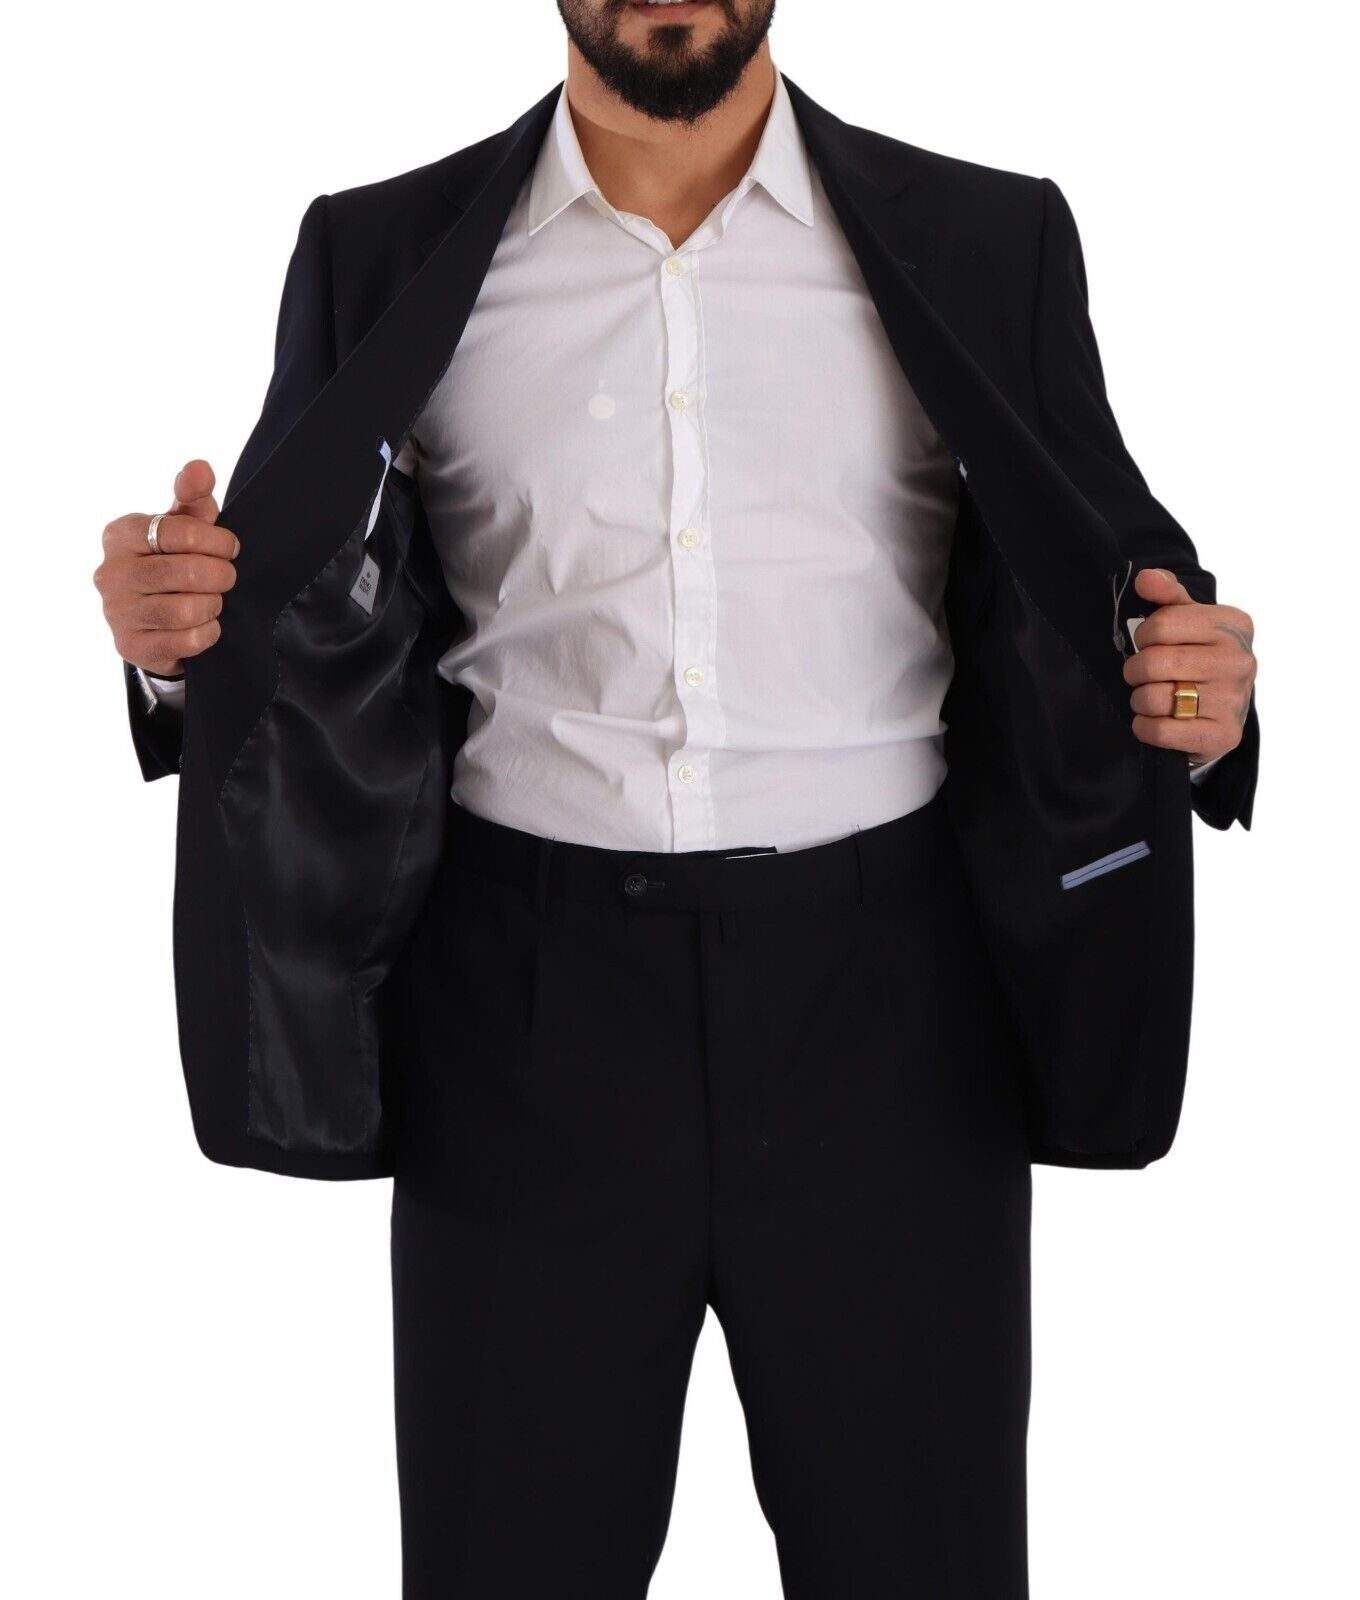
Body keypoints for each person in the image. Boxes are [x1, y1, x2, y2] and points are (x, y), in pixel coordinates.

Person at [92, 3, 1259, 1595]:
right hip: (525, 1021)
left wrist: (1201, 698)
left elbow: (1117, 581)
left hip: (894, 1023)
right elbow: (286, 605)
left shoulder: (993, 242)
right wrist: (179, 649)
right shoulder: (379, 251)